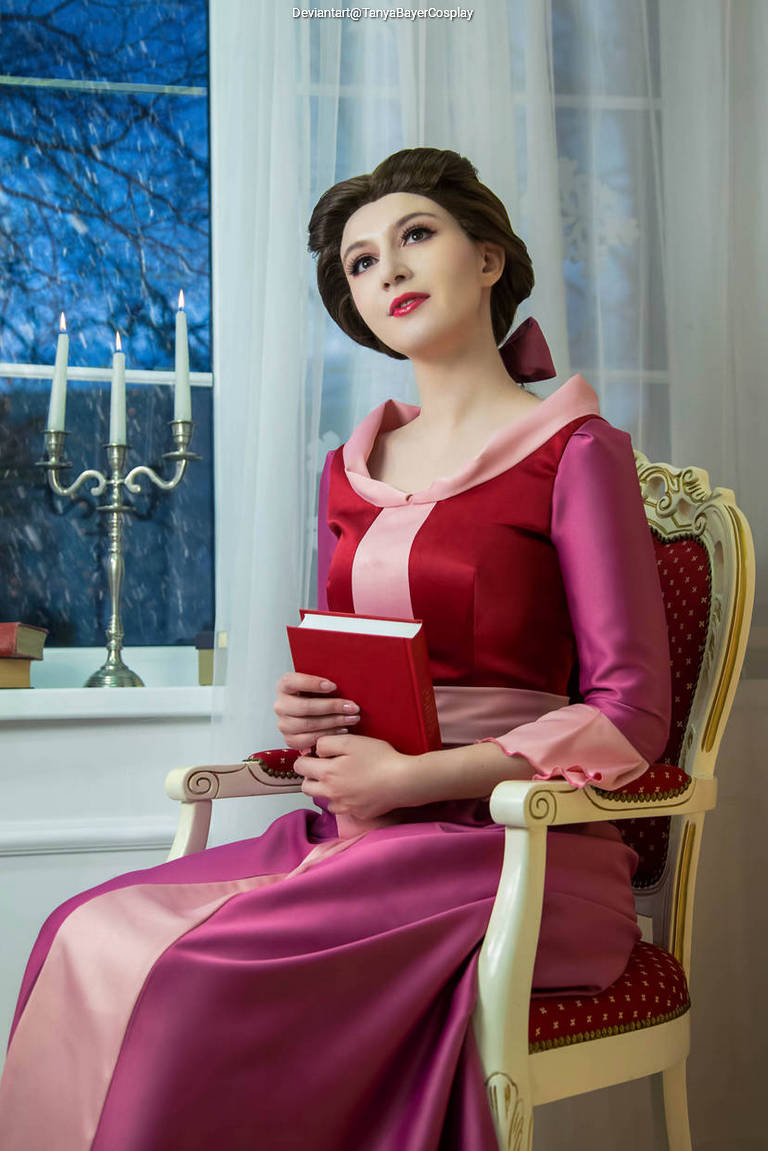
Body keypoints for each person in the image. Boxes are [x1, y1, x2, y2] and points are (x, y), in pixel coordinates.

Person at [0, 147, 670, 1151]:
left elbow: (631, 711)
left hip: (521, 850)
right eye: (360, 263)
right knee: (80, 930)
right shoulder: (349, 470)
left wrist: (419, 773)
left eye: (415, 237)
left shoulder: (577, 450)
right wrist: (311, 710)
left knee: (191, 978)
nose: (387, 271)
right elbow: (345, 657)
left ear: (488, 258)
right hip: (360, 836)